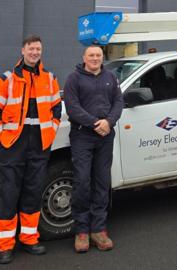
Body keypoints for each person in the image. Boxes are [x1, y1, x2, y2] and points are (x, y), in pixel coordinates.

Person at [0, 35, 61, 264]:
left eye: (38, 49)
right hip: (12, 145)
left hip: (39, 143)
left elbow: (56, 108)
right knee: (8, 193)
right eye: (31, 48)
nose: (35, 52)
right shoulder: (6, 79)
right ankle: (5, 245)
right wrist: (0, 138)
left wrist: (51, 133)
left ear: (41, 52)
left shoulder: (50, 78)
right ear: (23, 50)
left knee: (33, 191)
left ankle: (29, 238)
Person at [63, 45, 123, 252]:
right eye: (91, 55)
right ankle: (81, 231)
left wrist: (108, 122)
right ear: (84, 58)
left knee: (102, 181)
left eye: (98, 55)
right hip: (83, 136)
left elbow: (118, 102)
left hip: (105, 136)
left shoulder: (111, 77)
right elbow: (72, 107)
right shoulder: (74, 79)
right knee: (81, 181)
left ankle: (98, 229)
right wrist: (95, 123)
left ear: (102, 57)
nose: (95, 58)